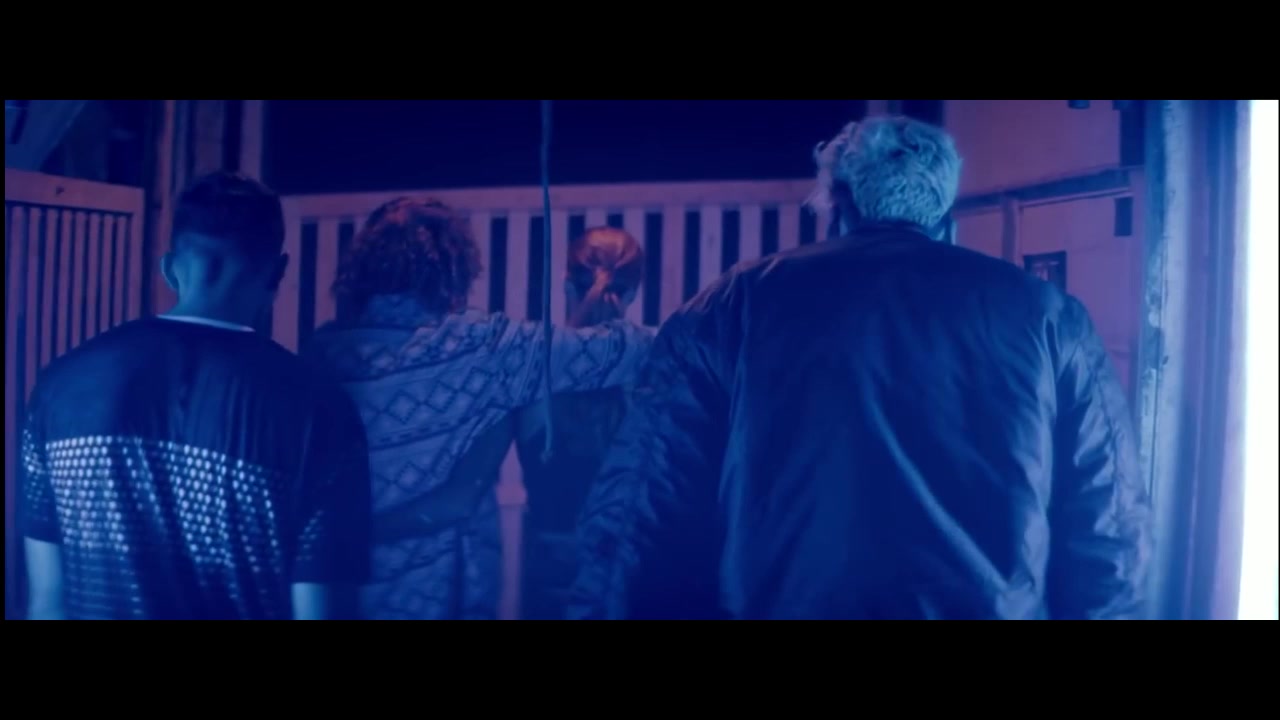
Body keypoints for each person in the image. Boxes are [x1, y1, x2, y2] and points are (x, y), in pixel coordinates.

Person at [569, 116, 1153, 620]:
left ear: (839, 200)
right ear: (942, 208)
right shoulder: (1048, 316)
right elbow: (1107, 522)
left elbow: (642, 505)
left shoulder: (733, 304)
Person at [19, 171, 371, 620]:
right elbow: (322, 610)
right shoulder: (320, 409)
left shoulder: (60, 383)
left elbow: (48, 600)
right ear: (278, 272)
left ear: (169, 268)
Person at [303, 198, 652, 620]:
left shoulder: (320, 357)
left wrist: (340, 534)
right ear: (454, 266)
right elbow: (626, 348)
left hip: (339, 593)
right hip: (437, 596)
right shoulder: (480, 349)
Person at [515, 226, 645, 620]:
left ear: (565, 283)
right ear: (633, 292)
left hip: (550, 561)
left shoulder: (532, 366)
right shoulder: (653, 364)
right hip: (629, 559)